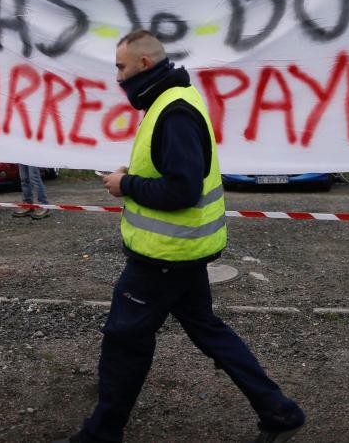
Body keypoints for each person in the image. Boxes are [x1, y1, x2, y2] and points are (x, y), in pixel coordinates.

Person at [56, 31, 304, 443]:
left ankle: (101, 434)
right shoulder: (172, 101)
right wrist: (132, 177)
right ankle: (279, 411)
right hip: (182, 252)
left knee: (124, 340)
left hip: (164, 257)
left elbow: (183, 190)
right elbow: (173, 173)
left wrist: (126, 184)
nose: (117, 78)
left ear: (144, 65)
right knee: (207, 329)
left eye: (121, 67)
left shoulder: (173, 112)